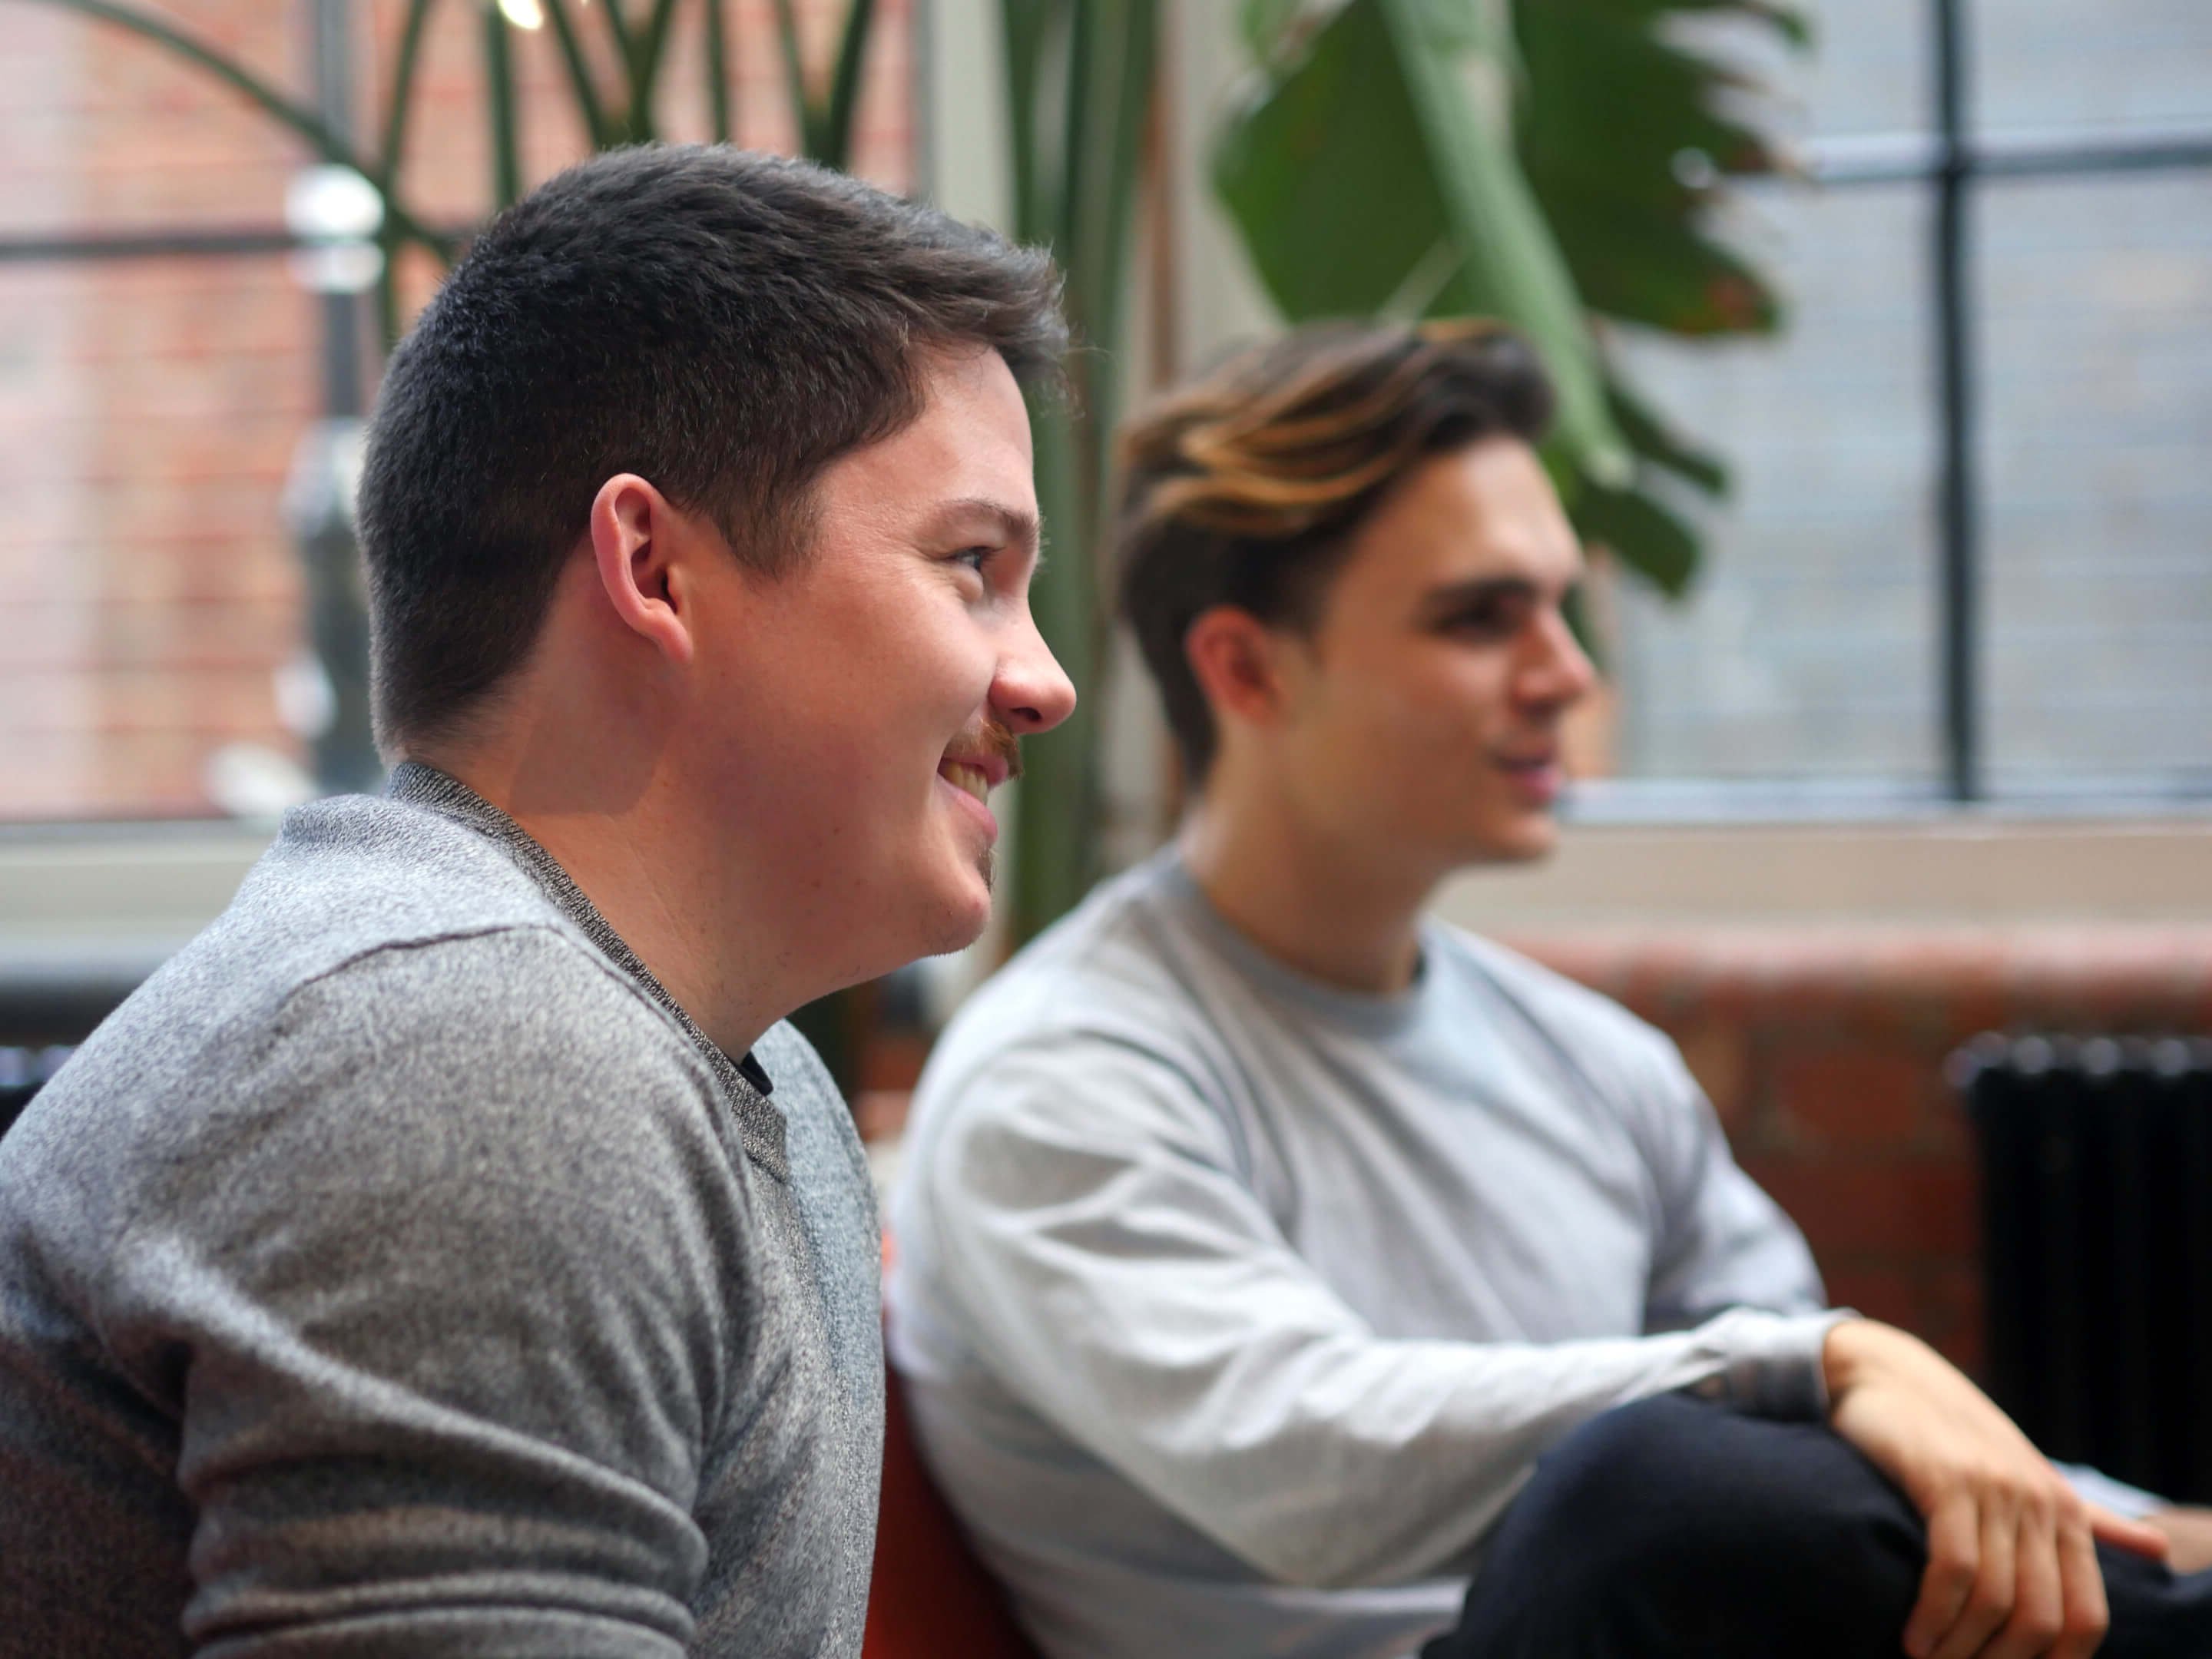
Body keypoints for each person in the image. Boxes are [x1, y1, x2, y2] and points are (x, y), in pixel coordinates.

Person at [885, 320, 2212, 1659]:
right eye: (1480, 617)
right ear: (1247, 668)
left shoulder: (1593, 1060)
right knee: (1647, 1490)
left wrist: (2120, 1520)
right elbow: (1307, 1468)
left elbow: (1849, 1476)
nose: (1568, 676)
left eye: (1561, 609)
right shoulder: (1060, 1076)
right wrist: (1814, 1364)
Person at [0, 145, 1075, 1657]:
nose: (1045, 680)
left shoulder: (688, 1066)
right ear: (652, 565)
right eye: (970, 565)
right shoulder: (469, 1058)